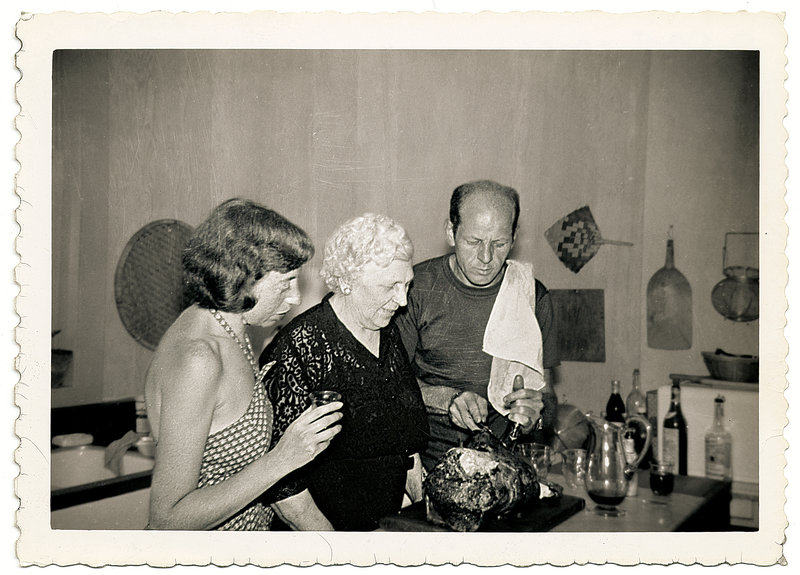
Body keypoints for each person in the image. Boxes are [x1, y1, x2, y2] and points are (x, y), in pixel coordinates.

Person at [144, 198, 343, 531]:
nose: (294, 298)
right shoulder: (199, 357)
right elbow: (167, 520)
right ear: (243, 279)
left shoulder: (232, 328)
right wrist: (283, 458)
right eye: (286, 283)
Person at [259, 213, 430, 531]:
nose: (402, 300)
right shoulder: (301, 345)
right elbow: (282, 487)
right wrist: (338, 552)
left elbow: (405, 449)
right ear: (348, 281)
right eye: (390, 286)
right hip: (319, 544)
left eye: (406, 284)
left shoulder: (385, 329)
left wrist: (430, 520)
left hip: (379, 532)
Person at [394, 180, 560, 472]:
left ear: (514, 237)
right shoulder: (415, 290)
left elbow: (548, 399)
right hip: (426, 465)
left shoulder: (531, 296)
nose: (486, 258)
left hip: (503, 465)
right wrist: (447, 399)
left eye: (499, 244)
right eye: (473, 242)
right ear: (451, 232)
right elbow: (390, 387)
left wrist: (537, 413)